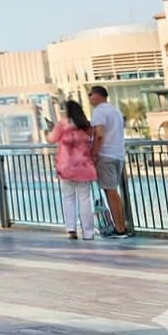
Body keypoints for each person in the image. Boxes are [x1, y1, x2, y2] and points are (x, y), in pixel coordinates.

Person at [49, 100, 98, 240]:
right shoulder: (87, 125)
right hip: (84, 167)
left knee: (68, 198)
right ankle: (88, 232)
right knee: (85, 199)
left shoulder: (62, 124)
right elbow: (92, 140)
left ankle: (71, 229)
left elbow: (51, 139)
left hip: (66, 167)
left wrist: (49, 130)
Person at [88, 85, 130, 237]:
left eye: (90, 94)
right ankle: (121, 226)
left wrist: (94, 154)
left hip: (105, 155)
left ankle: (120, 229)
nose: (89, 97)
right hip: (118, 154)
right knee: (113, 191)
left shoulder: (99, 111)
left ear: (98, 96)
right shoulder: (115, 111)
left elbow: (99, 135)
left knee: (110, 191)